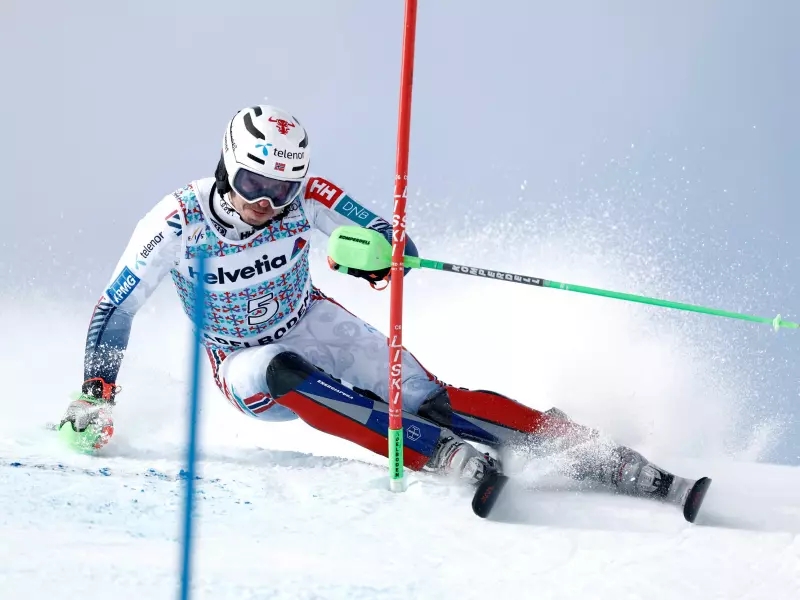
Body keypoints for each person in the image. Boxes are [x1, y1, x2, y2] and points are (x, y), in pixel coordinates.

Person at [59, 104, 697, 510]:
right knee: (285, 372)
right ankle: (436, 454)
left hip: (312, 318)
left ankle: (606, 457)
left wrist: (374, 256)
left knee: (428, 395)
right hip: (241, 357)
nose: (266, 201)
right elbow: (116, 308)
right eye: (254, 183)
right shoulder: (176, 220)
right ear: (229, 166)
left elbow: (397, 244)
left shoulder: (307, 194)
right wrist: (96, 393)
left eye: (280, 188)